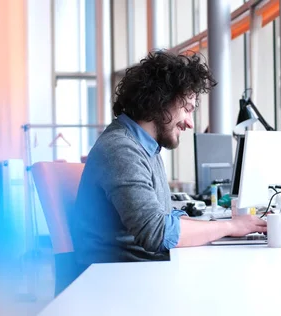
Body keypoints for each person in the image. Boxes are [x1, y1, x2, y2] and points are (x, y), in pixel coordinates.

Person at [73, 51, 267, 265]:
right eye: (187, 109)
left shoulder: (145, 147)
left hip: (138, 270)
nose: (190, 123)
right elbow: (156, 233)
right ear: (160, 100)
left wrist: (222, 225)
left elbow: (161, 217)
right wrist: (231, 226)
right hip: (119, 279)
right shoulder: (121, 149)